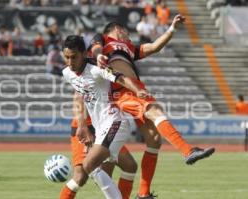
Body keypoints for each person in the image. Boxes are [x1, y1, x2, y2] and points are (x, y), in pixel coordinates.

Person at [89, 15, 215, 199]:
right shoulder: (105, 39)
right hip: (122, 90)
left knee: (154, 139)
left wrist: (172, 29)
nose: (128, 35)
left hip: (135, 89)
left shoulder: (129, 48)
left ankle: (144, 193)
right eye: (124, 31)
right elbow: (95, 45)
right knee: (155, 111)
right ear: (117, 29)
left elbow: (154, 47)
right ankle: (188, 151)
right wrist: (99, 54)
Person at [61, 35, 150, 199]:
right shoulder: (67, 73)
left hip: (115, 122)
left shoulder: (97, 68)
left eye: (74, 57)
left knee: (89, 166)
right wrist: (83, 125)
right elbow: (80, 94)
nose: (70, 61)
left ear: (84, 54)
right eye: (66, 57)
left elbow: (121, 78)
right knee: (109, 168)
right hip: (100, 127)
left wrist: (138, 91)